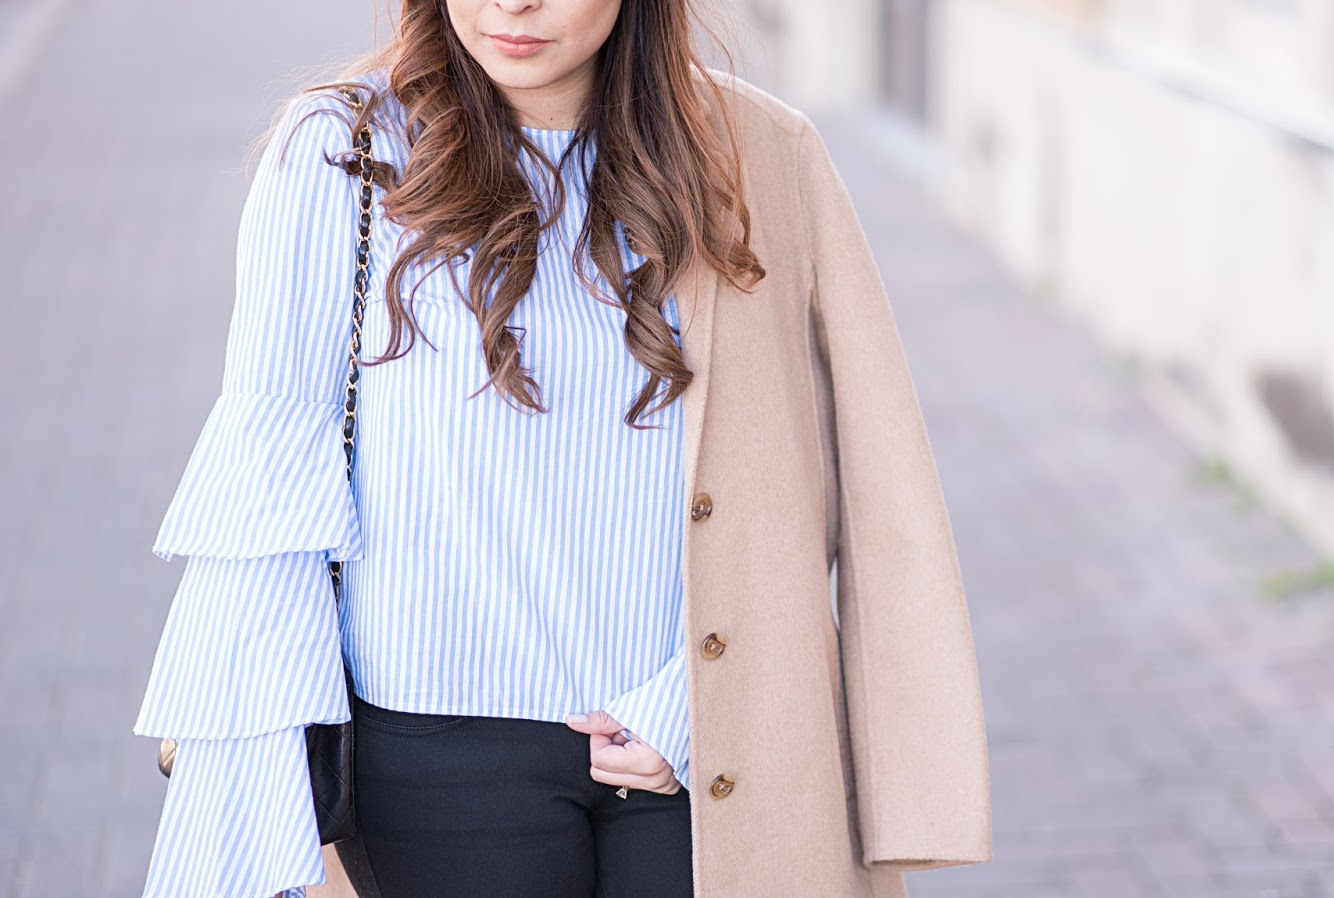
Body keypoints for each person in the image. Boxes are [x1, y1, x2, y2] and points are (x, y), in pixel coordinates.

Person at [133, 0, 993, 896]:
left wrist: (695, 704)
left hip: (705, 739)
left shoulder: (761, 153)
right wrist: (245, 762)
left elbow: (827, 476)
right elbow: (270, 478)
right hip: (435, 755)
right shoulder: (342, 150)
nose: (514, 4)